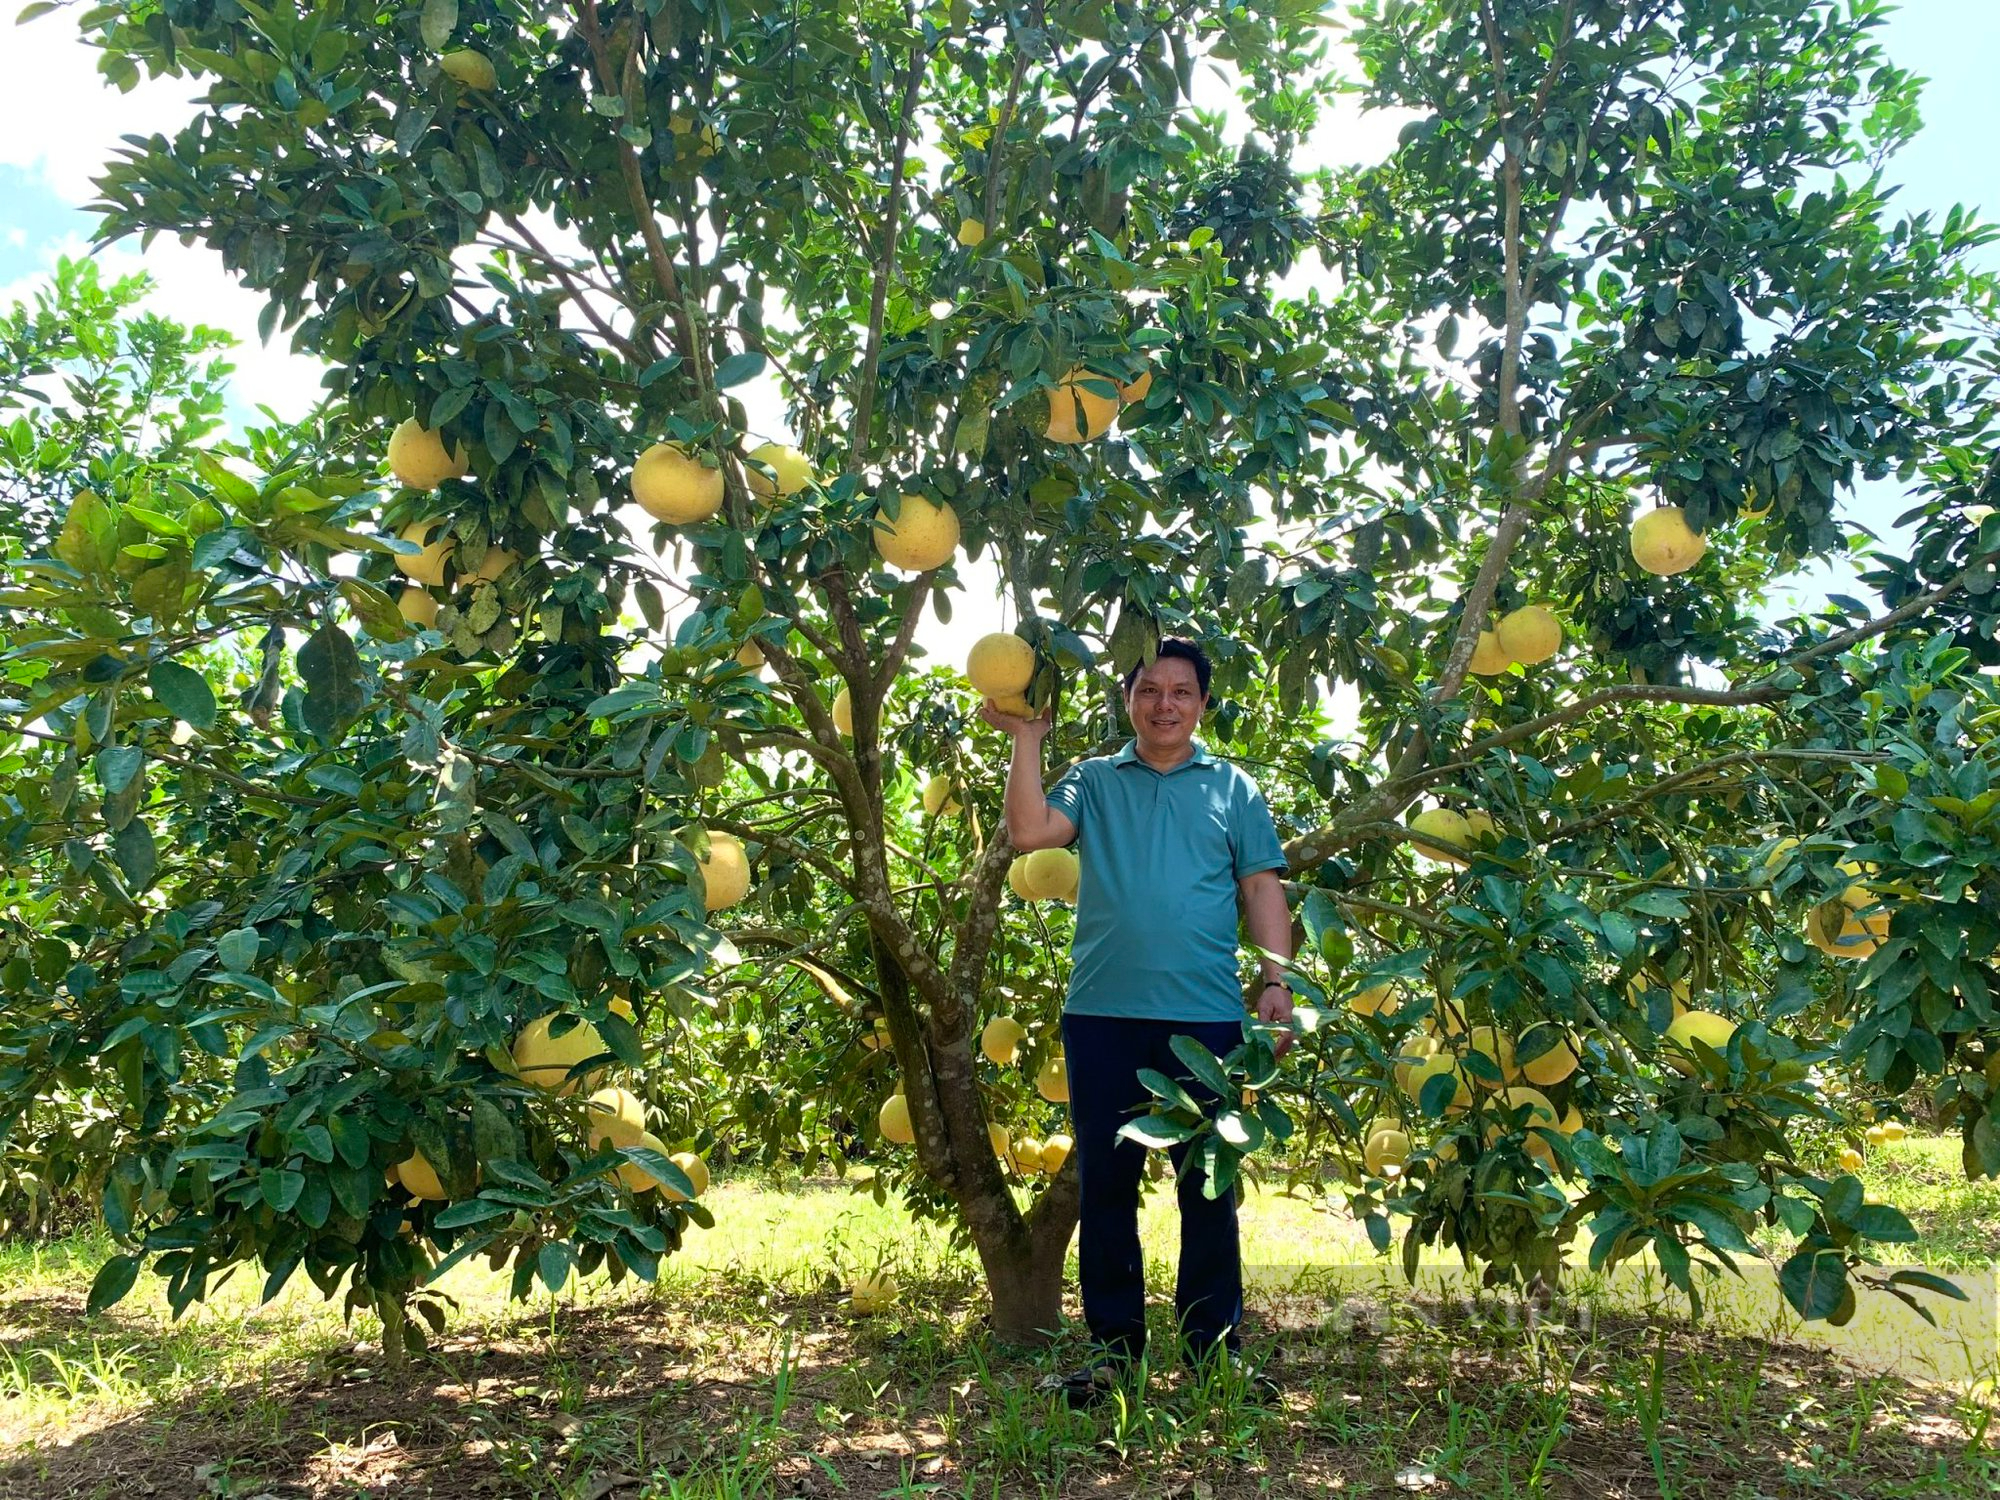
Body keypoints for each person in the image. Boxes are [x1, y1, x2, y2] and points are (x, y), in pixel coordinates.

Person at [984, 637, 1295, 1407]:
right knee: (1108, 1193)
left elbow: (1260, 887)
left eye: (1181, 692)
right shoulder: (1094, 779)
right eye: (1149, 689)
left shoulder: (1232, 787)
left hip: (1208, 1020)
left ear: (1202, 706)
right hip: (1102, 1015)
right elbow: (1029, 836)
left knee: (1208, 1192)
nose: (1164, 703)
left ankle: (1213, 1353)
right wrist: (1028, 740)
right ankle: (1114, 1356)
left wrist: (1276, 979)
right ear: (1128, 699)